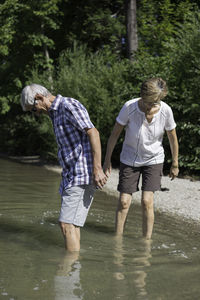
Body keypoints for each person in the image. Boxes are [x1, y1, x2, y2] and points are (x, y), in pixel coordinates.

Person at [20, 84, 107, 251]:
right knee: (72, 224)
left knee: (65, 224)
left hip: (81, 173)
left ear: (39, 97)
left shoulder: (68, 105)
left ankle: (66, 271)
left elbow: (93, 132)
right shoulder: (54, 114)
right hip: (70, 175)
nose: (36, 114)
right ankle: (74, 269)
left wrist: (98, 169)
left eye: (34, 109)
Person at [103, 78, 179, 239]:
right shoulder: (129, 107)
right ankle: (117, 241)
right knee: (124, 201)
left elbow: (172, 138)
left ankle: (146, 244)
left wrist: (175, 163)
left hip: (154, 159)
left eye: (156, 102)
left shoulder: (165, 110)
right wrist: (107, 160)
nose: (152, 106)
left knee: (147, 201)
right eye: (149, 102)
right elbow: (114, 135)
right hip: (129, 159)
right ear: (142, 96)